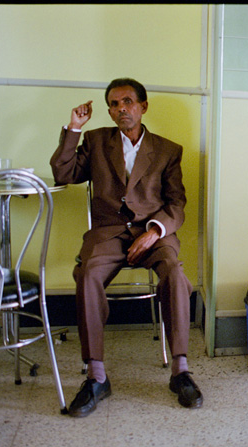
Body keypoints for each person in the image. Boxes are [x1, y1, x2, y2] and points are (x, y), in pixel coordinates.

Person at [50, 78, 203, 417]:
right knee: (87, 273)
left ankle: (180, 370)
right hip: (108, 233)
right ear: (109, 111)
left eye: (128, 102)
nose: (122, 109)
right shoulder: (95, 140)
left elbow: (177, 204)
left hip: (154, 233)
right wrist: (73, 128)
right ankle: (96, 377)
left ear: (143, 106)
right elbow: (63, 174)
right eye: (115, 104)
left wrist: (154, 230)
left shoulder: (167, 150)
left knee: (175, 274)